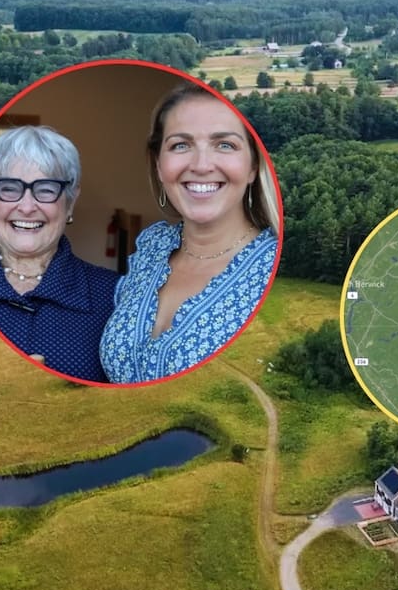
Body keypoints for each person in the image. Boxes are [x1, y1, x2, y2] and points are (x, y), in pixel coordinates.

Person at [100, 83, 280, 383]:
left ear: (252, 166)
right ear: (158, 164)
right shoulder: (151, 248)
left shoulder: (274, 266)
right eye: (180, 145)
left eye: (225, 144)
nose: (200, 165)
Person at [0, 125, 118, 383]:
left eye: (46, 189)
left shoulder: (114, 296)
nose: (26, 207)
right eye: (10, 188)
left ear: (70, 200)